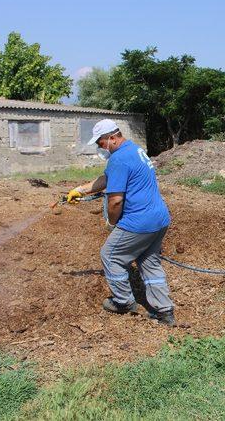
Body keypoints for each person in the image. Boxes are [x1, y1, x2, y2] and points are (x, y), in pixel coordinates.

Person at [66, 119, 178, 326]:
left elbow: (116, 200)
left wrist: (113, 221)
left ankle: (123, 302)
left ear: (112, 138)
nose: (100, 147)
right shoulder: (134, 150)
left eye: (100, 143)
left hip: (139, 221)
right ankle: (165, 312)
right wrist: (80, 190)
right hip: (159, 218)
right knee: (149, 262)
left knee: (110, 255)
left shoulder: (119, 159)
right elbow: (107, 179)